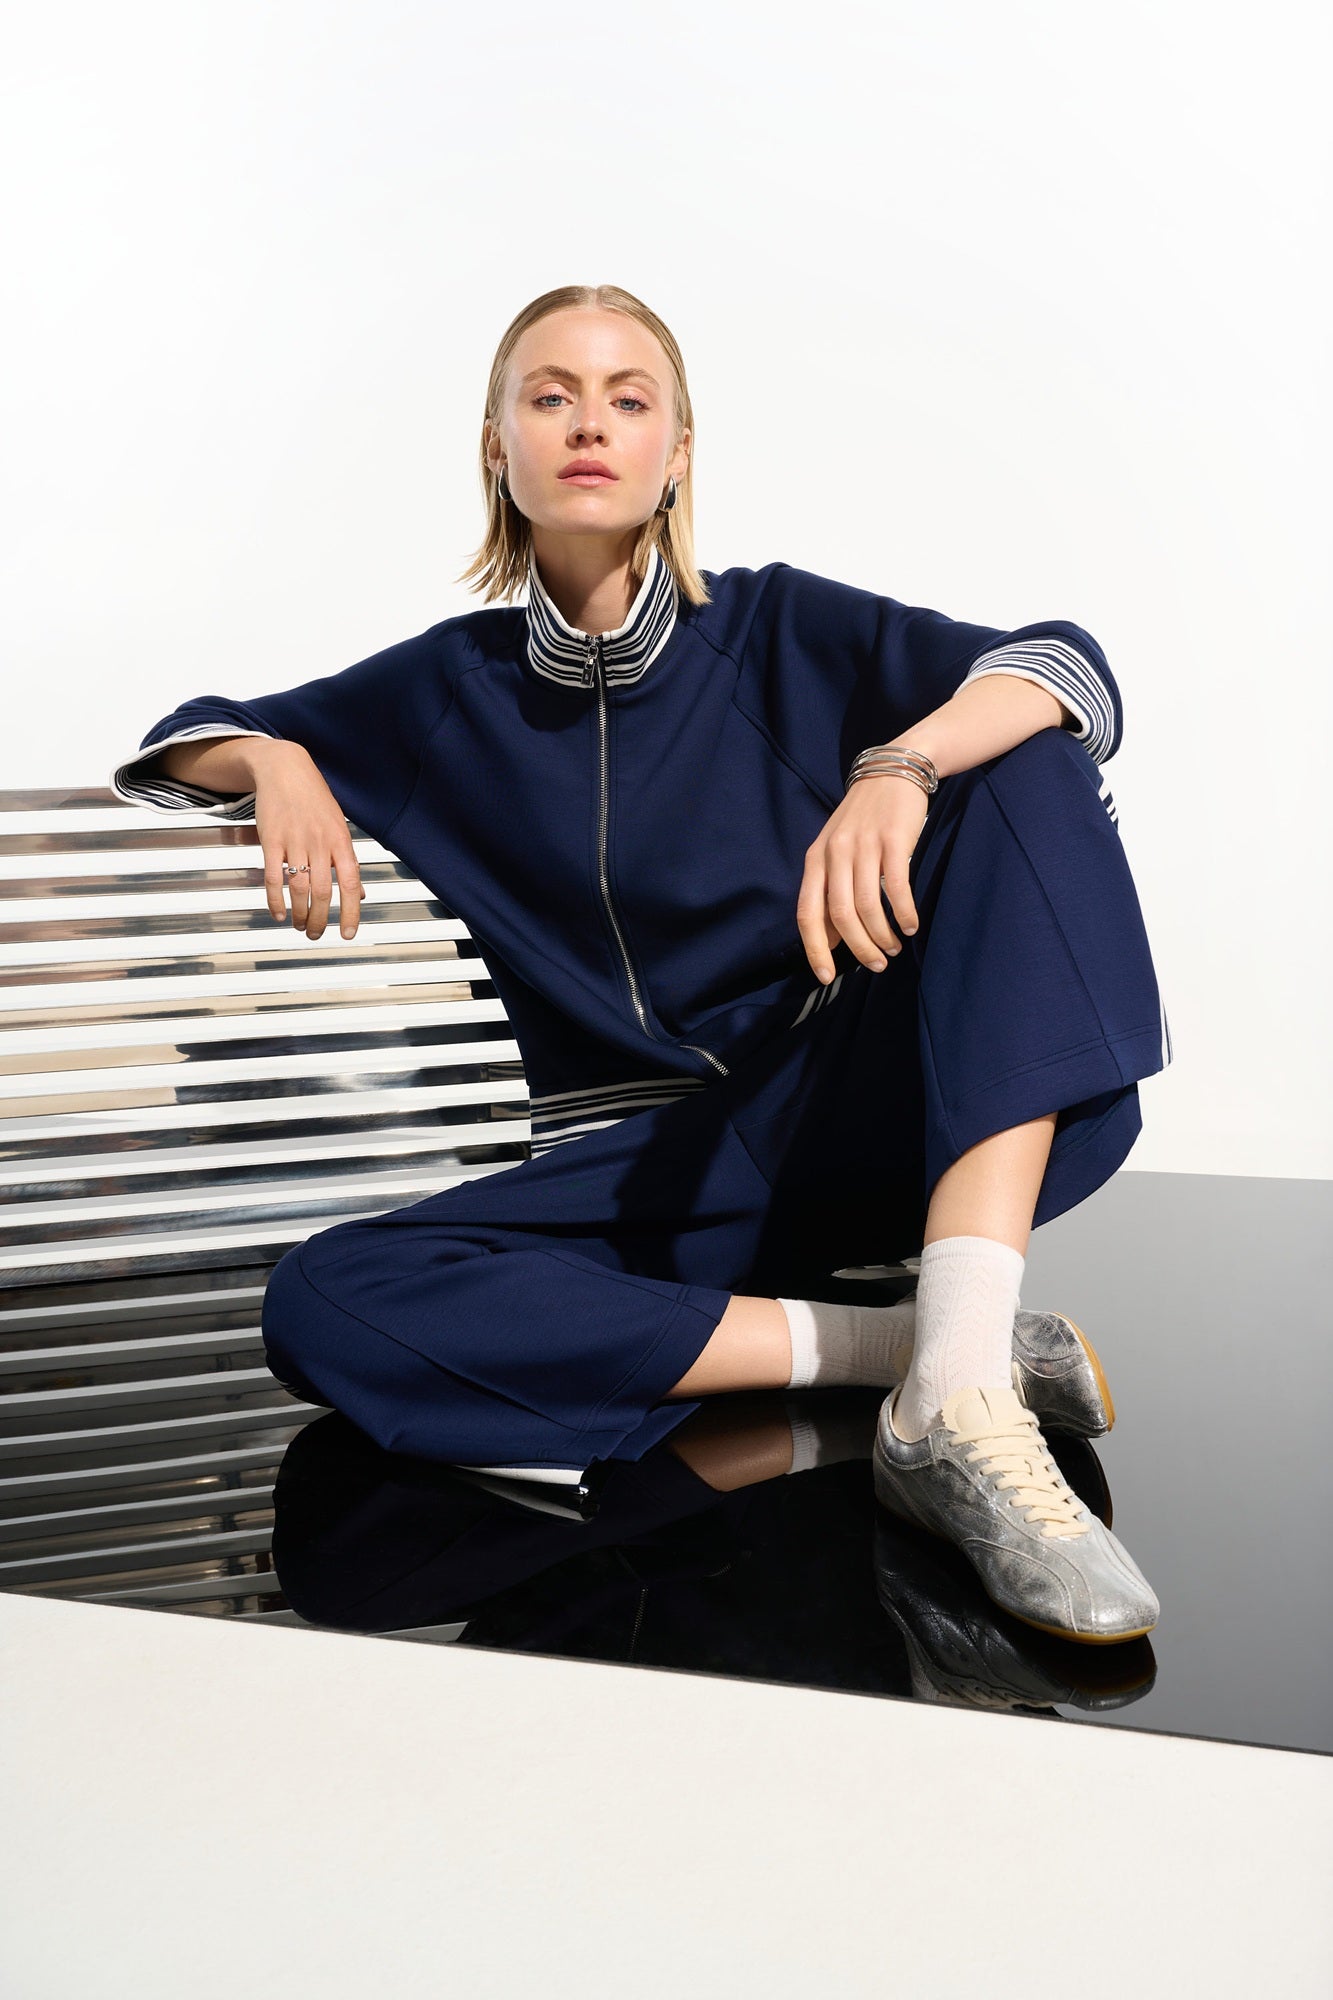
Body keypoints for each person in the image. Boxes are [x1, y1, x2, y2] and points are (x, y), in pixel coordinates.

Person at [109, 282, 1173, 1644]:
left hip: (856, 1119)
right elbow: (185, 741)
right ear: (496, 445)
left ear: (676, 451)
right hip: (645, 1188)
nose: (588, 425)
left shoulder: (781, 631)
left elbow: (1066, 666)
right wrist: (275, 756)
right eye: (549, 396)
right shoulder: (445, 690)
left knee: (1022, 757)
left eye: (628, 399)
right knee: (323, 1302)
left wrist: (898, 766)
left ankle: (961, 1392)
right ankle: (924, 1357)